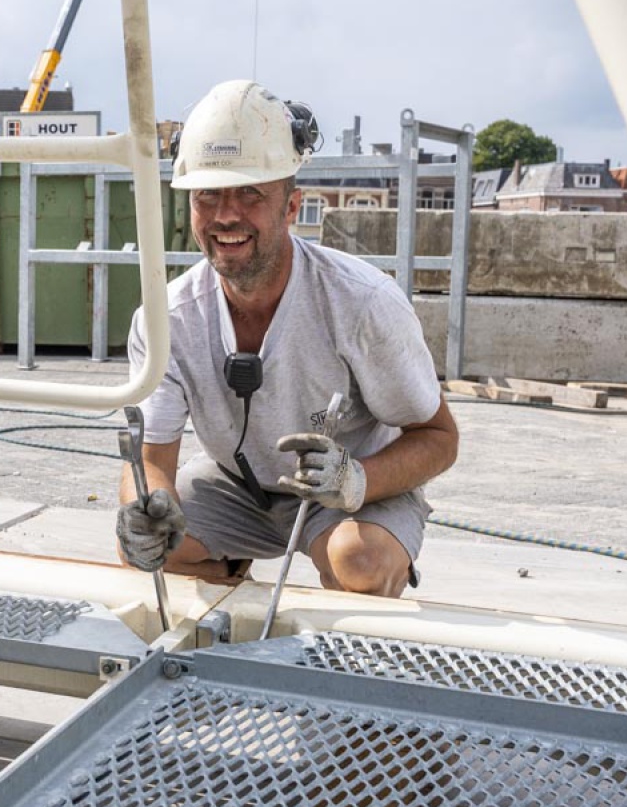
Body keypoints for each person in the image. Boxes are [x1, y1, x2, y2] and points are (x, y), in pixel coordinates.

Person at [115, 80, 458, 596]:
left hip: (356, 489)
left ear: (292, 205)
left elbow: (439, 438)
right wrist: (144, 512)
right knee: (151, 546)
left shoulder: (361, 302)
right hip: (237, 484)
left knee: (359, 563)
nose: (226, 215)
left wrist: (355, 480)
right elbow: (148, 463)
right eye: (208, 194)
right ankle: (229, 615)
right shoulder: (169, 318)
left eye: (250, 193)